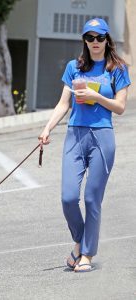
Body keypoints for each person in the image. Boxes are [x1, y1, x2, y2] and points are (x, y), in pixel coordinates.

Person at [39, 18, 131, 272]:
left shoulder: (118, 69)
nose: (95, 42)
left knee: (91, 199)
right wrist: (47, 129)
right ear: (84, 41)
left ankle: (87, 254)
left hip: (102, 136)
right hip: (75, 135)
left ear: (107, 40)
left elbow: (121, 108)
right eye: (90, 38)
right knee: (68, 197)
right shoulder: (74, 67)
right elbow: (63, 104)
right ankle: (79, 240)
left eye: (100, 37)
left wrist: (96, 96)